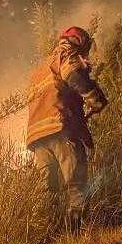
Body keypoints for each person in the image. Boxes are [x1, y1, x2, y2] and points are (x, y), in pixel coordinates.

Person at [25, 26, 108, 232]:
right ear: (79, 43)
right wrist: (96, 99)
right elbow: (75, 78)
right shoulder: (67, 56)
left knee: (46, 189)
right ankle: (75, 235)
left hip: (37, 134)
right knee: (76, 183)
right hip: (60, 128)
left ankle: (45, 235)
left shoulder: (40, 68)